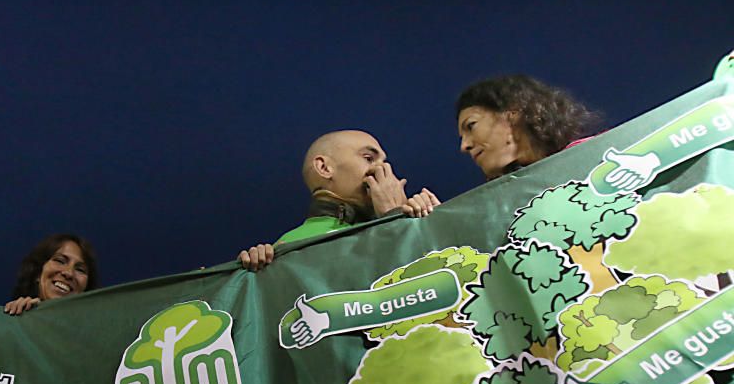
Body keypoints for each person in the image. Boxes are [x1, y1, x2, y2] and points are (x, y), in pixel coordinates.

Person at [238, 130, 440, 270]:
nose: (383, 170)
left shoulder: (416, 219)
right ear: (325, 168)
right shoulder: (284, 249)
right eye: (369, 158)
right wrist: (250, 272)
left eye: (384, 163)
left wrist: (422, 226)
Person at [456, 74, 599, 181]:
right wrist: (442, 219)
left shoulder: (602, 158)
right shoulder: (504, 207)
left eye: (471, 125)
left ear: (513, 112)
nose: (464, 146)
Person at [0, 233, 99, 317]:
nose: (68, 273)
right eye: (59, 260)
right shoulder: (5, 326)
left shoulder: (93, 346)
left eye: (80, 270)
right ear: (38, 273)